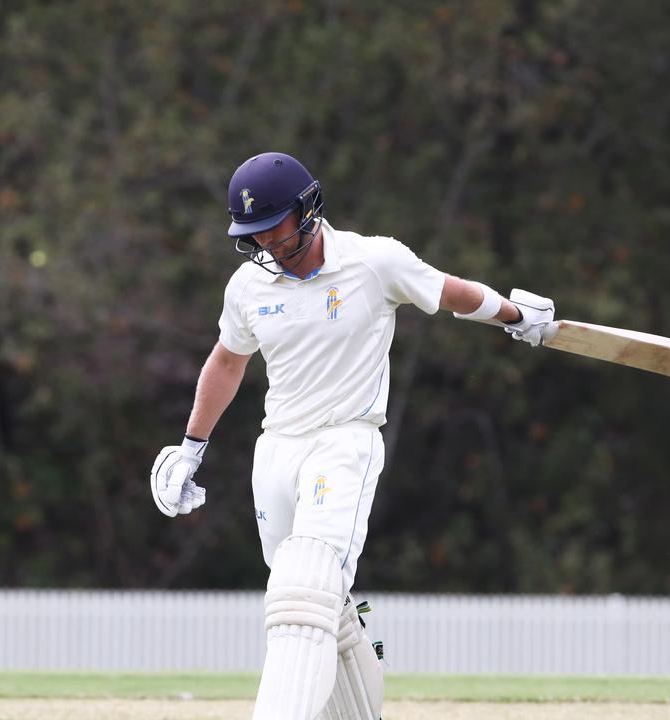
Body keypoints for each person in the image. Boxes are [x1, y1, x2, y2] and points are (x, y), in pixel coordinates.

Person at [149, 152, 555, 720]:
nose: (265, 246)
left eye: (274, 230)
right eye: (253, 237)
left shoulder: (374, 261)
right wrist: (191, 448)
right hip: (277, 450)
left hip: (345, 442)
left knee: (303, 592)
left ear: (307, 210)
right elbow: (226, 361)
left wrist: (516, 315)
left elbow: (450, 292)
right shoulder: (246, 287)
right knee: (321, 607)